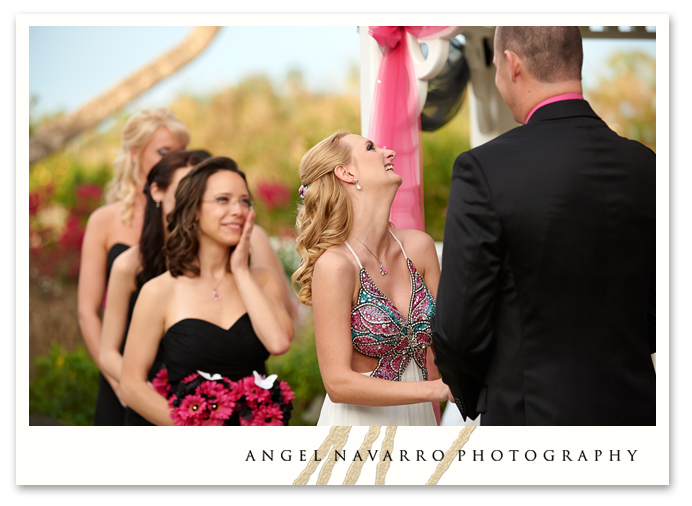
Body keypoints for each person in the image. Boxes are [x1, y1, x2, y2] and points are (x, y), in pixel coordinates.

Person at [432, 26, 656, 426]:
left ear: (512, 65)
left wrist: (478, 396)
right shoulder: (647, 166)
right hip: (638, 417)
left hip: (532, 421)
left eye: (497, 67)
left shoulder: (486, 169)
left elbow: (458, 327)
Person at [120, 157, 294, 426]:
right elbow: (132, 386)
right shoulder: (159, 290)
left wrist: (241, 272)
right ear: (195, 210)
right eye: (223, 200)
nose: (237, 210)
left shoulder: (261, 280)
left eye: (245, 201)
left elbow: (279, 342)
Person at [293, 131, 450, 426]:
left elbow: (448, 342)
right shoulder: (336, 265)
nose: (388, 152)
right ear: (346, 172)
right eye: (370, 148)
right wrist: (436, 388)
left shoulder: (419, 247)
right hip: (361, 425)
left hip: (420, 419)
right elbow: (338, 384)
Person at [78, 108, 189, 425]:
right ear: (134, 154)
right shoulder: (104, 220)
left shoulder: (190, 219)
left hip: (181, 360)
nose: (174, 159)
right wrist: (119, 380)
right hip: (121, 363)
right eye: (164, 151)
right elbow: (87, 312)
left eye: (180, 152)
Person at [99, 149, 211, 425]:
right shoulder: (129, 265)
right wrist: (138, 387)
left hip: (211, 400)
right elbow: (108, 350)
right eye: (185, 189)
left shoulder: (220, 263)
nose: (192, 199)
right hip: (150, 399)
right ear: (157, 192)